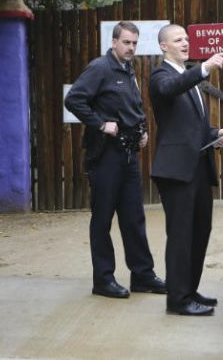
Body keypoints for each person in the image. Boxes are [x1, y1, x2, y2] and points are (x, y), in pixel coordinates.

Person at [64, 21, 166, 299]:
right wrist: (100, 124)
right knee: (103, 219)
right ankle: (103, 280)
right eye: (126, 42)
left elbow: (133, 106)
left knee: (134, 217)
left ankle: (143, 275)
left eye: (134, 43)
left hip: (128, 154)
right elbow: (74, 99)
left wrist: (142, 131)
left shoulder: (128, 68)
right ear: (114, 42)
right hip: (105, 154)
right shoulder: (100, 68)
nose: (131, 47)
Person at [149, 24, 223, 316]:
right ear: (164, 46)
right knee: (181, 234)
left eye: (186, 38)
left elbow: (192, 127)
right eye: (178, 39)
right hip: (175, 171)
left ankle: (189, 289)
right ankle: (177, 300)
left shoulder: (190, 80)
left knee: (200, 230)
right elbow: (169, 89)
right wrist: (204, 68)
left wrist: (215, 136)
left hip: (198, 165)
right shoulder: (162, 75)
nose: (185, 43)